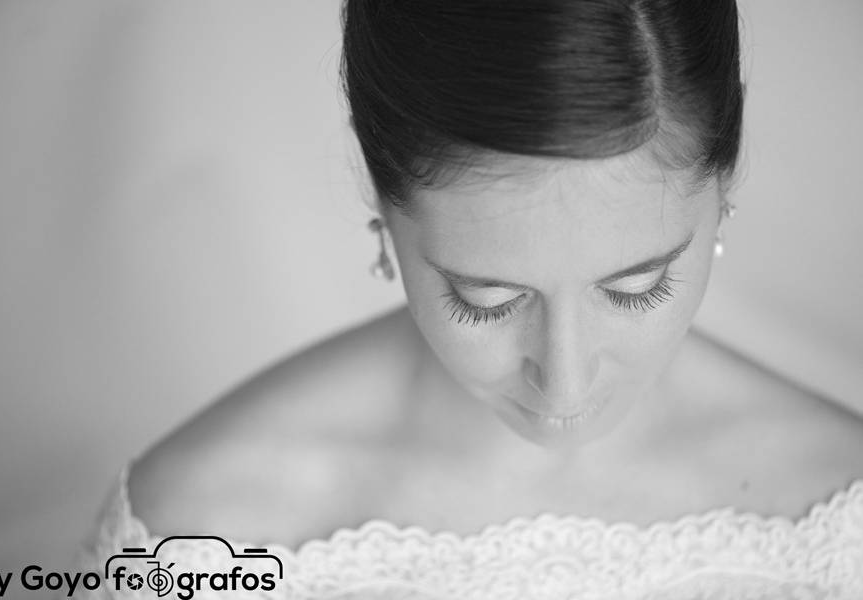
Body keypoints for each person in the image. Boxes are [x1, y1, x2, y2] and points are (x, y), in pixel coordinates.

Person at [70, 1, 863, 598]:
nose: (566, 383)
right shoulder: (196, 543)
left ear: (723, 184)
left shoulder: (842, 519)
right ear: (382, 202)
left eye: (637, 287)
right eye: (486, 299)